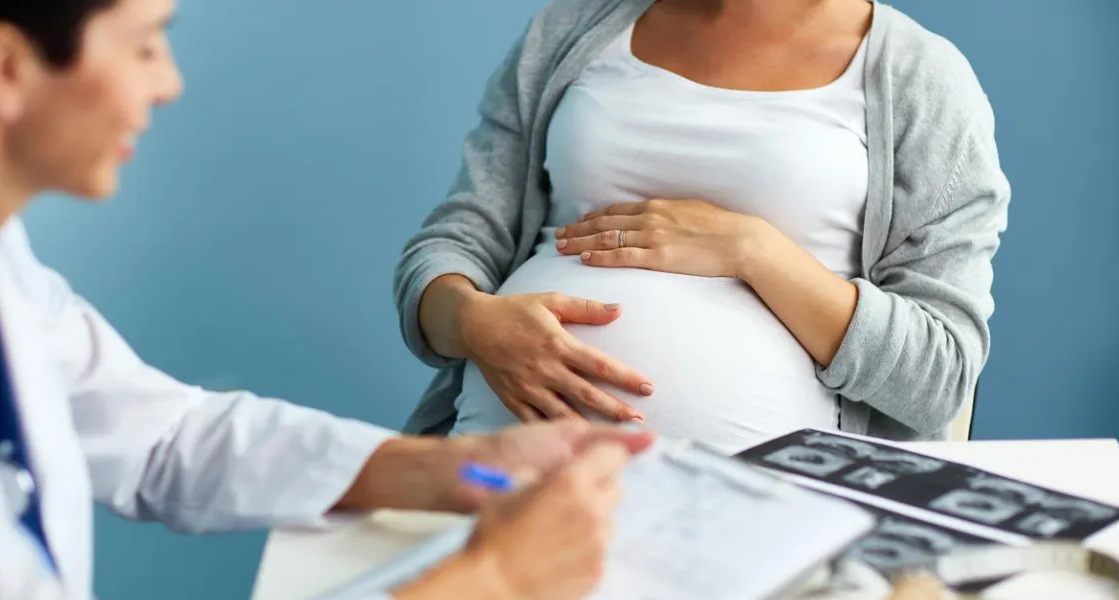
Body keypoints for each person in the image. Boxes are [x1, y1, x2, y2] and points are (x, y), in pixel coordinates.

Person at [0, 2, 658, 599]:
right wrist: (492, 579)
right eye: (146, 45)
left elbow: (165, 441)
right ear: (6, 69)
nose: (169, 82)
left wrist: (466, 467)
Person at [395, 0, 1011, 448]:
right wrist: (474, 322)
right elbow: (455, 241)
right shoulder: (571, 31)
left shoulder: (922, 79)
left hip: (767, 528)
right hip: (496, 495)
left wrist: (753, 249)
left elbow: (939, 375)